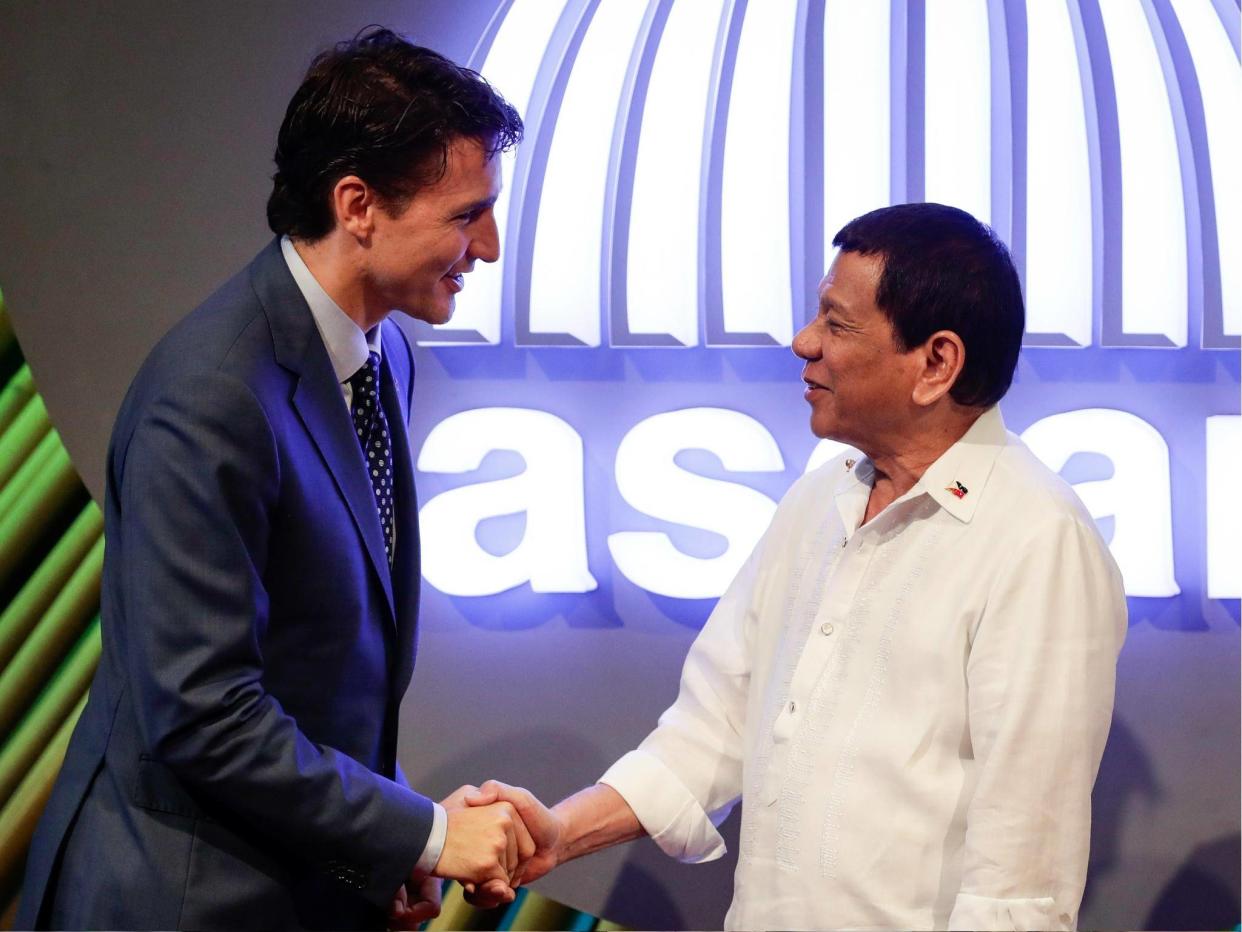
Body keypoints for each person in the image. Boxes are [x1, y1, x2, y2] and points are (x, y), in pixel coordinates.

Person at [469, 203, 1128, 930]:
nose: (803, 341)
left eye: (837, 324)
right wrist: (560, 833)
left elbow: (1020, 880)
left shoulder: (1039, 539)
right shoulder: (820, 497)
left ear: (937, 362)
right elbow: (712, 729)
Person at [18, 28, 534, 931]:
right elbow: (204, 712)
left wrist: (386, 844)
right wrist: (420, 835)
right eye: (465, 214)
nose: (487, 245)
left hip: (291, 884)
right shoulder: (211, 395)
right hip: (181, 900)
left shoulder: (387, 359)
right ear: (357, 204)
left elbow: (319, 672)